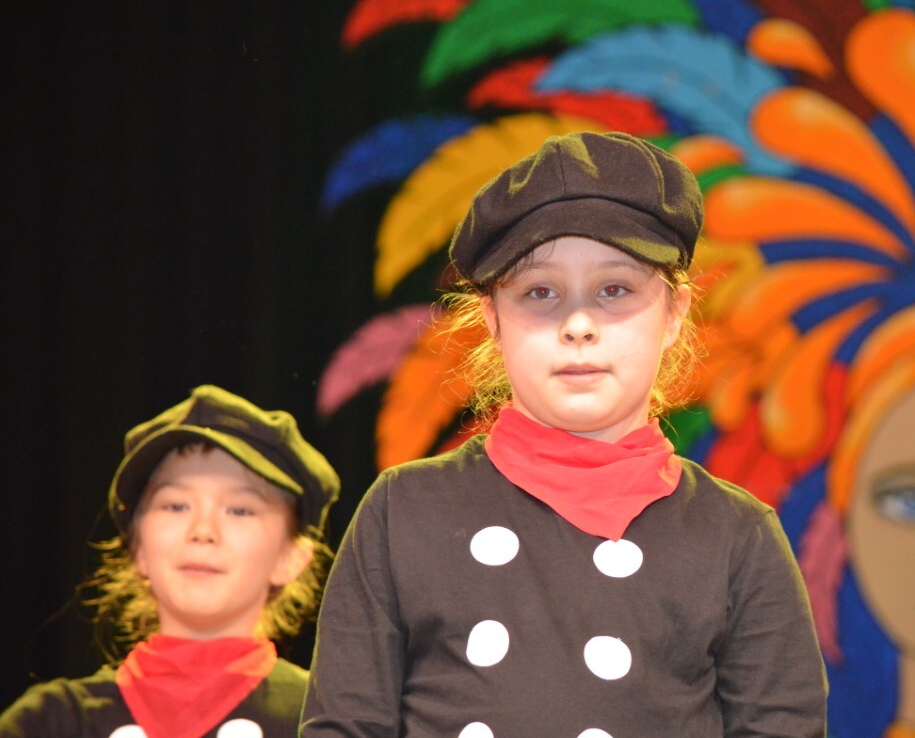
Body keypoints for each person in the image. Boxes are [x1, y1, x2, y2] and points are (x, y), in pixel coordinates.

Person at [301, 131, 828, 737]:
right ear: (493, 319)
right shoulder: (404, 511)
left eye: (614, 290)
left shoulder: (736, 534)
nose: (578, 324)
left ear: (674, 314)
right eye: (540, 292)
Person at [0, 384, 340, 738]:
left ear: (291, 558)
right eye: (176, 506)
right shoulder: (51, 722)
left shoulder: (328, 721)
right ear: (138, 548)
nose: (203, 530)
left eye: (240, 510)